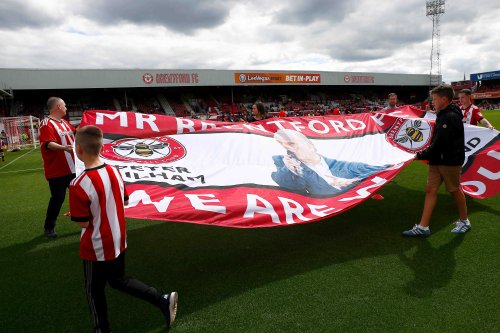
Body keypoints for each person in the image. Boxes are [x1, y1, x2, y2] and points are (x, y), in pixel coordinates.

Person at [69, 125, 178, 332]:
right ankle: (162, 299)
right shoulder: (114, 171)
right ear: (100, 148)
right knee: (119, 280)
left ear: (79, 150)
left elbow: (83, 222)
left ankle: (102, 330)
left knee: (94, 291)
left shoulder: (79, 183)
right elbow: (125, 201)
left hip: (97, 245)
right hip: (118, 238)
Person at [403, 84, 470, 237]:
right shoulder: (443, 114)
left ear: (444, 99)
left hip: (449, 161)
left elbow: (439, 144)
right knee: (430, 190)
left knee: (454, 190)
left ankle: (465, 221)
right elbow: (437, 143)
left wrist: (419, 155)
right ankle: (423, 226)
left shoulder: (450, 117)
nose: (432, 102)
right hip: (437, 160)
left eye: (434, 99)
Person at [271, 129, 387, 196]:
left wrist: (352, 182)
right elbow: (288, 184)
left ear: (309, 144)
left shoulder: (344, 166)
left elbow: (382, 169)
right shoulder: (291, 168)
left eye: (291, 144)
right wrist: (289, 170)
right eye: (285, 146)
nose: (290, 149)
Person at [39, 97, 76, 239]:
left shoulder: (65, 123)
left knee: (82, 194)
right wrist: (65, 148)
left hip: (74, 169)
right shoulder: (46, 123)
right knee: (58, 199)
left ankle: (86, 219)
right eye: (65, 105)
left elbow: (76, 132)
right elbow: (48, 144)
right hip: (57, 171)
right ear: (58, 106)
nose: (66, 108)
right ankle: (49, 227)